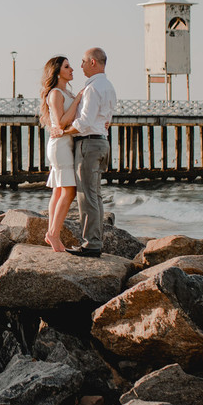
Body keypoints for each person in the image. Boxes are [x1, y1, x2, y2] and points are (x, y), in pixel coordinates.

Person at [68, 47, 116, 256]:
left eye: (83, 61)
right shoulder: (109, 86)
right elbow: (108, 119)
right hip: (102, 143)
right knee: (95, 195)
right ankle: (95, 242)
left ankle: (91, 244)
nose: (80, 66)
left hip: (89, 144)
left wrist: (63, 131)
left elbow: (85, 121)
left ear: (93, 62)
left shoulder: (92, 88)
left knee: (86, 196)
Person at [40, 56, 81, 252]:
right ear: (57, 72)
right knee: (69, 191)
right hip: (61, 146)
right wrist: (79, 99)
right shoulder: (56, 93)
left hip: (65, 143)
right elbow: (62, 122)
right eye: (67, 66)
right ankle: (54, 234)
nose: (72, 69)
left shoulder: (66, 92)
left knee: (58, 190)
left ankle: (51, 233)